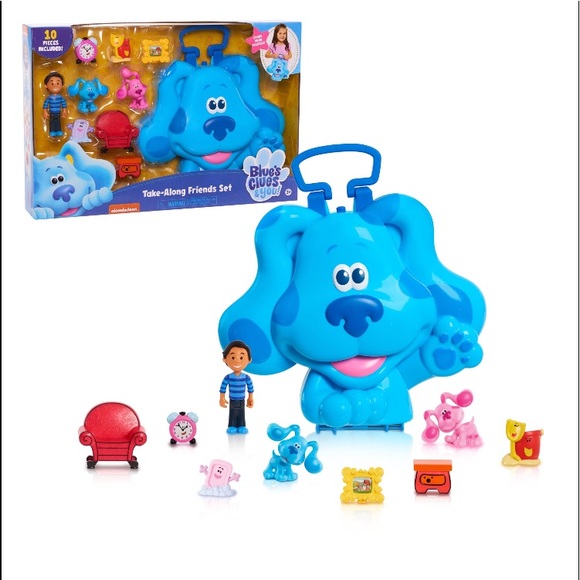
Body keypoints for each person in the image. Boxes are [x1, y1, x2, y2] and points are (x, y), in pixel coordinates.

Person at [219, 340, 254, 434]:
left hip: (242, 400)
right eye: (233, 357)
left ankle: (242, 425)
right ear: (225, 359)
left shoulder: (246, 377)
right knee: (232, 413)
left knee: (242, 413)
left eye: (241, 357)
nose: (237, 360)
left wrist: (250, 398)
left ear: (249, 360)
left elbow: (250, 388)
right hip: (232, 400)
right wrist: (222, 398)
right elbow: (223, 388)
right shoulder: (228, 377)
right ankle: (232, 425)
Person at [43, 72, 68, 137]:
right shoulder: (49, 98)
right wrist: (45, 112)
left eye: (58, 83)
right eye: (52, 83)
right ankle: (52, 131)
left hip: (58, 113)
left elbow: (64, 104)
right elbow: (45, 105)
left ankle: (59, 130)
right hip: (51, 113)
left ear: (62, 85)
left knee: (58, 122)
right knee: (52, 122)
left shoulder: (60, 97)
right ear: (46, 86)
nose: (55, 85)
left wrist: (64, 111)